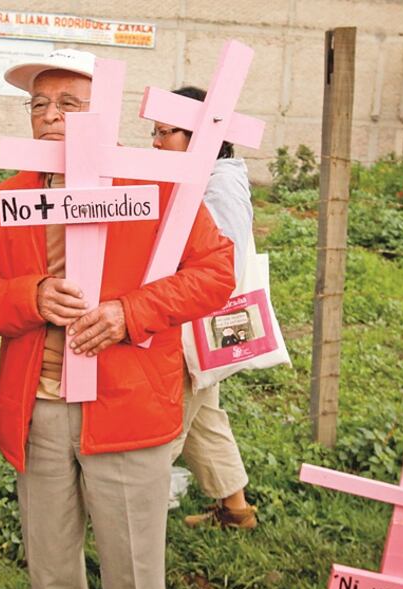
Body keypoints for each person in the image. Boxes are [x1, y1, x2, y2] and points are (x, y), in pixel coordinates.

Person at [0, 50, 235, 589]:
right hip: (38, 406)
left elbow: (215, 273)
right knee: (49, 551)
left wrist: (127, 313)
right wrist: (29, 295)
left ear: (105, 117)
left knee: (134, 557)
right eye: (39, 104)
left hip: (128, 405)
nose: (50, 117)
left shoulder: (158, 188)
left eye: (68, 105)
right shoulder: (10, 196)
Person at [152, 85, 258, 530]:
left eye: (165, 133)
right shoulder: (205, 177)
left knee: (165, 424)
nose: (155, 143)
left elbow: (220, 262)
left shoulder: (220, 184)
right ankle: (236, 512)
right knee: (206, 419)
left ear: (199, 135)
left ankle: (139, 517)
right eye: (154, 133)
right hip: (198, 326)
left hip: (197, 325)